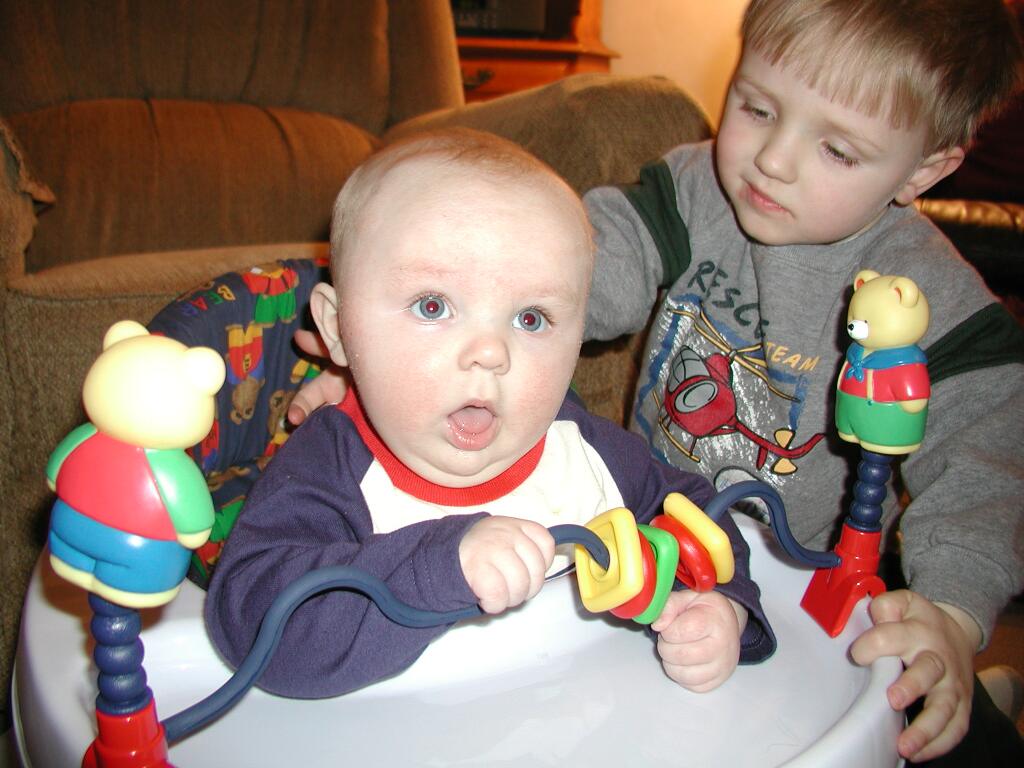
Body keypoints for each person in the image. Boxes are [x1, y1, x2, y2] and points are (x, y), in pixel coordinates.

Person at [285, 1, 1024, 763]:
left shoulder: (938, 302)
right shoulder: (693, 191)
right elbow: (546, 280)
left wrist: (953, 614)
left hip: (813, 588)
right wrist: (400, 366)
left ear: (925, 171)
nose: (773, 159)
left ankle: (986, 695)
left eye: (837, 150)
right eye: (757, 107)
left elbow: (988, 466)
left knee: (931, 725)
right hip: (660, 535)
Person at [205, 128, 775, 700]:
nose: (490, 352)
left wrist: (721, 605)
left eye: (531, 319)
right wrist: (438, 567)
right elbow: (251, 623)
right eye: (433, 306)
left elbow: (697, 515)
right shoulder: (330, 467)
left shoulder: (585, 453)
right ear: (338, 329)